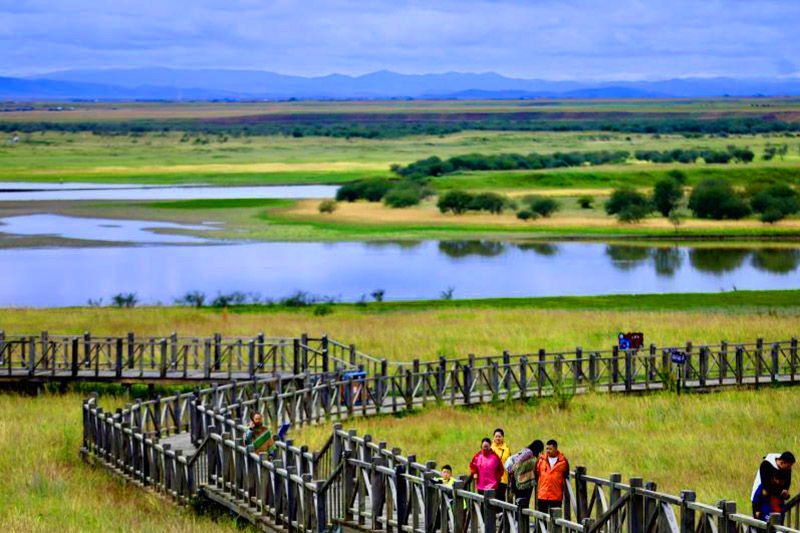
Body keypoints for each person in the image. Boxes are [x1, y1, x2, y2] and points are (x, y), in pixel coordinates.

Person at [752, 451, 795, 520]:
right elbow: (761, 492)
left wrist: (785, 494)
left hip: (777, 504)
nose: (789, 469)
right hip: (764, 503)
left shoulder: (786, 468)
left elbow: (786, 484)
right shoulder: (766, 465)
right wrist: (757, 509)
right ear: (781, 463)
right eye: (788, 466)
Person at [535, 439, 569, 513]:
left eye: (550, 449)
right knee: (542, 519)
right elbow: (536, 474)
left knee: (555, 520)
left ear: (556, 449)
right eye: (547, 449)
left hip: (556, 496)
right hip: (543, 495)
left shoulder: (563, 461)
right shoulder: (541, 460)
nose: (548, 451)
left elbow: (566, 475)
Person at [506, 440, 544, 506]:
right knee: (521, 502)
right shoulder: (529, 452)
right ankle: (520, 516)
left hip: (520, 480)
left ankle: (520, 516)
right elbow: (518, 461)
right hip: (522, 481)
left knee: (520, 501)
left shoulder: (526, 451)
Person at [491, 428, 512, 502]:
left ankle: (500, 513)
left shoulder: (507, 449)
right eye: (496, 436)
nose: (498, 438)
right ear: (493, 437)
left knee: (500, 497)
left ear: (503, 437)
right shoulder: (490, 448)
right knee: (491, 497)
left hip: (503, 477)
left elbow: (509, 463)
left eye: (499, 436)